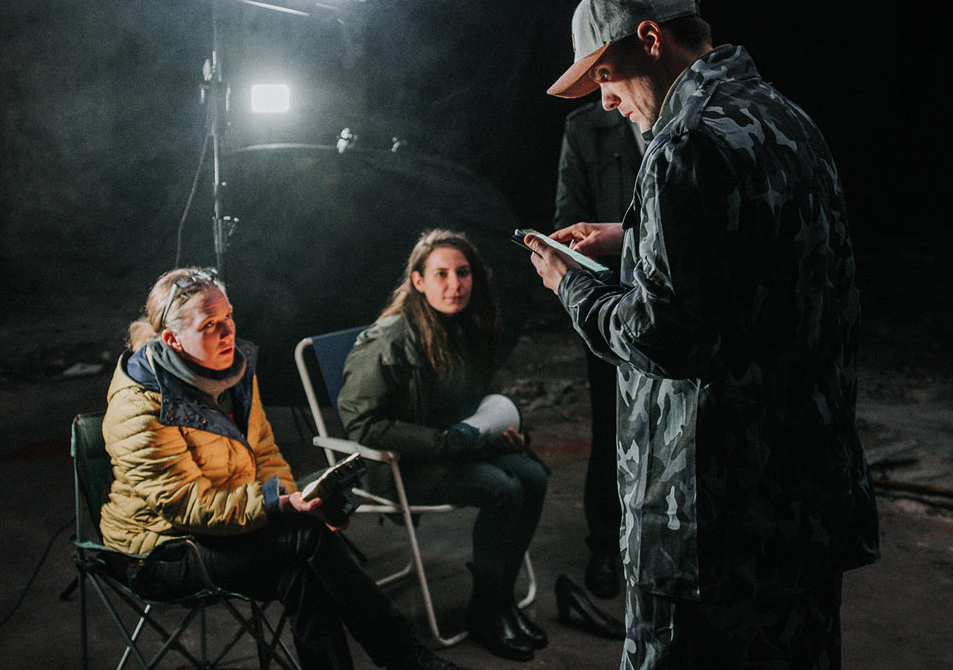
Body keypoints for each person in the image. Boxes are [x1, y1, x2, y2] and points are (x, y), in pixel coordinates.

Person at [528, 0, 879, 668]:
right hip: (805, 498)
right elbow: (764, 252)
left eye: (606, 77)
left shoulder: (683, 143)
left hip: (708, 516)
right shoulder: (786, 119)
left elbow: (664, 338)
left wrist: (572, 287)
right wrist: (634, 236)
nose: (606, 102)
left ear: (650, 39)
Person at [98, 267, 464, 670]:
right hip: (162, 551)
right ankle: (407, 658)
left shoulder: (234, 372)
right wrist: (280, 506)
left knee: (304, 572)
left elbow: (266, 456)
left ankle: (404, 659)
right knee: (306, 539)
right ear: (172, 340)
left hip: (228, 531)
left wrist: (299, 500)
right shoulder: (140, 405)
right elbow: (186, 505)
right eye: (209, 325)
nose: (227, 331)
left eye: (228, 316)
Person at [338, 229, 550, 662]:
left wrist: (501, 431)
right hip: (403, 465)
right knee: (504, 489)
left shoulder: (468, 327)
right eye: (441, 274)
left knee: (533, 475)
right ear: (418, 281)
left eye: (463, 272)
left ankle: (500, 600)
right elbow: (361, 423)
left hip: (457, 447)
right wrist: (443, 442)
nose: (455, 285)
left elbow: (474, 403)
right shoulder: (390, 338)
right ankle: (486, 611)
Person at [554, 101, 645, 600]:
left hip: (678, 306)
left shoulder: (689, 124)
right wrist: (584, 294)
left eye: (608, 75)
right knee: (613, 424)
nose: (606, 97)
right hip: (615, 307)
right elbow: (571, 224)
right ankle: (607, 544)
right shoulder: (587, 127)